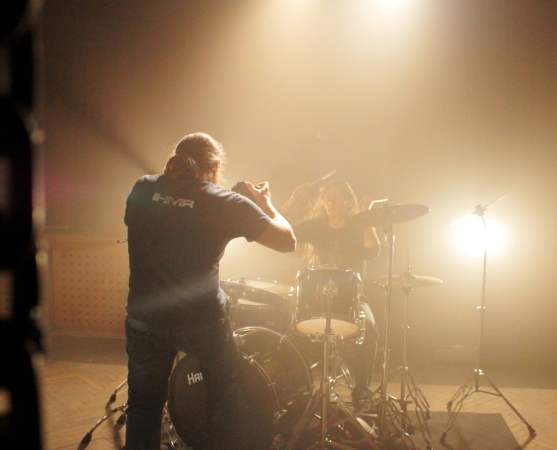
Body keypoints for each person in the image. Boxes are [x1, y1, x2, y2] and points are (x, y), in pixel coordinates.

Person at [123, 132, 295, 450]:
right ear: (215, 167)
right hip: (201, 322)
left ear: (176, 157)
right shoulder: (224, 203)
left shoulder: (143, 187)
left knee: (143, 409)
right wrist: (265, 204)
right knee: (224, 400)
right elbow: (288, 241)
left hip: (145, 318)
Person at [281, 180, 380, 405]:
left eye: (336, 198)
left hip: (352, 299)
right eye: (327, 197)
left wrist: (366, 214)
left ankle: (361, 390)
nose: (330, 202)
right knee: (291, 329)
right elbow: (280, 230)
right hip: (317, 299)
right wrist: (293, 200)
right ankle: (298, 388)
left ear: (347, 202)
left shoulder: (357, 225)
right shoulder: (316, 226)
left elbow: (372, 251)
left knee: (370, 329)